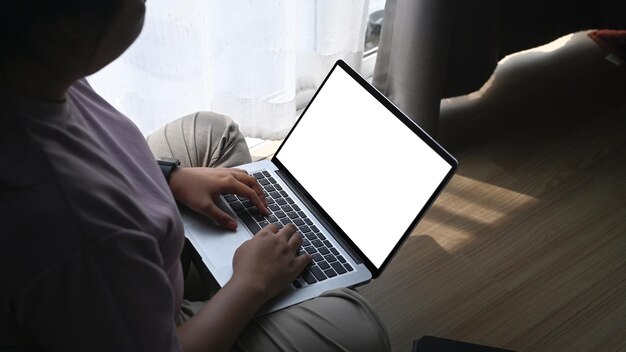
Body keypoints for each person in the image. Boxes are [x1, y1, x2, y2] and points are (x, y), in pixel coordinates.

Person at [0, 1, 390, 351]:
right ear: (70, 23)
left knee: (213, 133)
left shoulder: (28, 66)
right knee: (358, 327)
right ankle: (221, 285)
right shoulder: (79, 227)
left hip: (117, 267)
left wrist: (168, 177)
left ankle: (213, 269)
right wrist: (250, 283)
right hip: (157, 326)